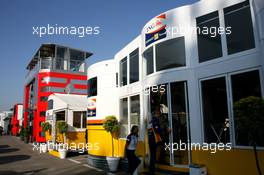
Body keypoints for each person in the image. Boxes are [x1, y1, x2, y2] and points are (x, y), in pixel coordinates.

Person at [148, 105, 162, 175]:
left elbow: (149, 130)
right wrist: (165, 130)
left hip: (150, 140)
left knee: (152, 155)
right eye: (159, 114)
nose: (159, 115)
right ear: (156, 114)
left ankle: (151, 170)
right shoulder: (155, 121)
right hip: (154, 140)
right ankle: (152, 171)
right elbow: (157, 130)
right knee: (153, 156)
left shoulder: (150, 121)